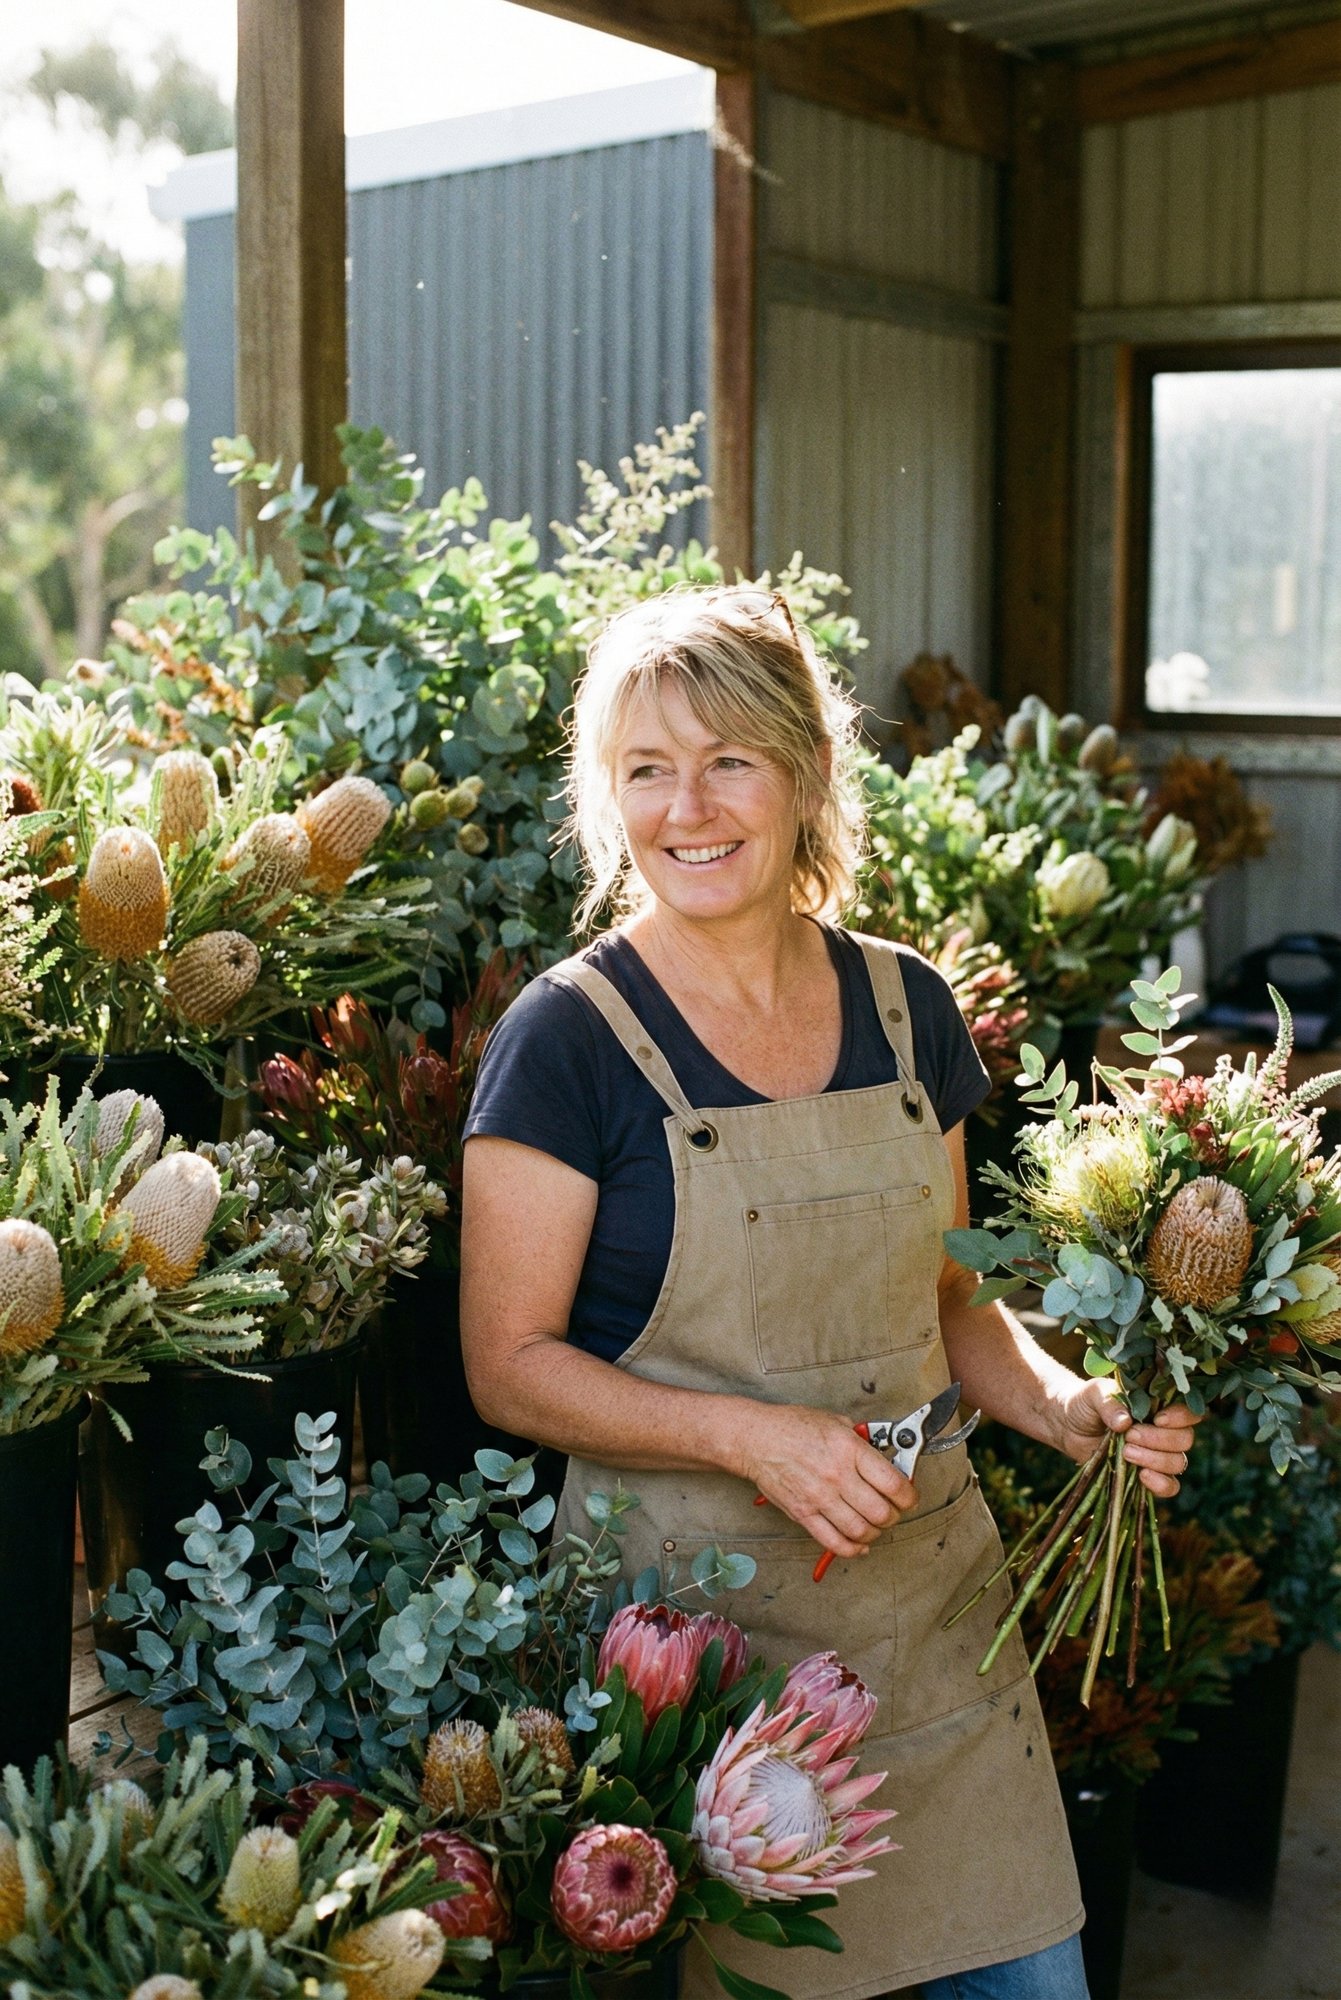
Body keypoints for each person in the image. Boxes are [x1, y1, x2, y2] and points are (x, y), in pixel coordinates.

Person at [460, 587, 1200, 2000]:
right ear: (605, 798)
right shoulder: (567, 1039)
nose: (688, 805)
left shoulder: (905, 1006)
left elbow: (943, 1297)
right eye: (644, 769)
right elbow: (507, 1363)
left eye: (727, 758)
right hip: (691, 1669)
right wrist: (755, 1438)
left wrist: (1071, 1409)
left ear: (805, 774)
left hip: (931, 1639)